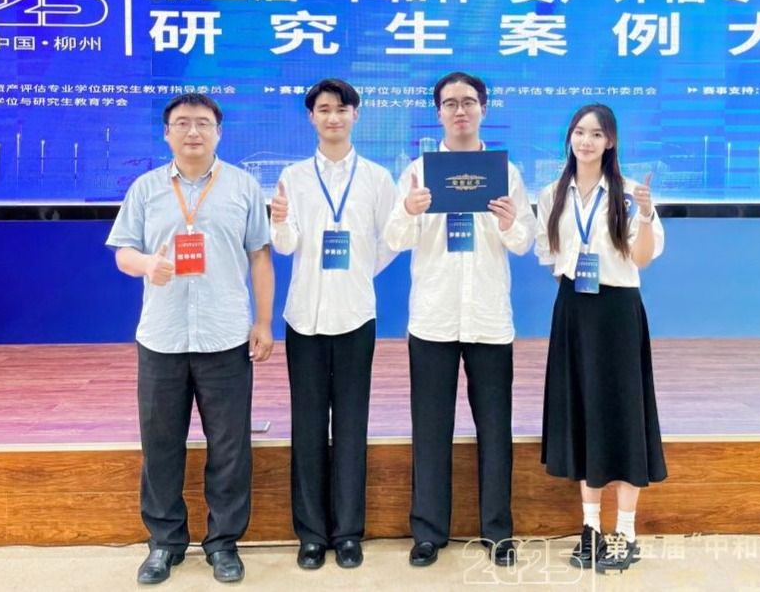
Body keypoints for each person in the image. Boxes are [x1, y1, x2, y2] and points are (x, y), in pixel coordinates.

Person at [106, 93, 274, 586]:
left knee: (230, 447)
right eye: (182, 123)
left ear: (219, 132)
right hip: (163, 338)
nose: (193, 131)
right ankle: (165, 542)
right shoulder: (145, 188)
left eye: (203, 123)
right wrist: (147, 264)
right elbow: (123, 252)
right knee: (161, 445)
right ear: (167, 133)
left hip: (225, 336)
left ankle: (223, 543)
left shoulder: (243, 186)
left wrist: (264, 323)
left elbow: (260, 256)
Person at [383, 71, 537, 568]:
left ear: (484, 109)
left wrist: (510, 223)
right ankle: (428, 531)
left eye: (468, 101)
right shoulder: (417, 172)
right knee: (430, 429)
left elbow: (524, 242)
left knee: (495, 429)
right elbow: (394, 239)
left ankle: (498, 532)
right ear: (438, 113)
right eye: (450, 103)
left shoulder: (507, 173)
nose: (460, 110)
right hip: (434, 318)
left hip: (489, 319)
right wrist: (409, 210)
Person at [270, 78, 398, 571]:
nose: (333, 117)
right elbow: (286, 246)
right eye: (324, 109)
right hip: (304, 316)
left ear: (355, 115)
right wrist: (280, 222)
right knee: (306, 427)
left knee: (350, 425)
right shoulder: (294, 176)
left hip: (355, 315)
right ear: (311, 117)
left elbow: (392, 239)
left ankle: (347, 533)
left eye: (342, 109)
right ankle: (310, 534)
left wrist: (360, 271)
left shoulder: (377, 178)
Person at [533, 103, 667, 574]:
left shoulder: (629, 193)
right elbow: (550, 256)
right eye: (579, 132)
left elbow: (642, 258)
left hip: (617, 311)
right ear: (569, 137)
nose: (586, 141)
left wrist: (646, 216)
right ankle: (590, 527)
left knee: (624, 414)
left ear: (610, 141)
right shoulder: (552, 193)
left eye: (596, 134)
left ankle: (625, 530)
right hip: (573, 309)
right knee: (583, 411)